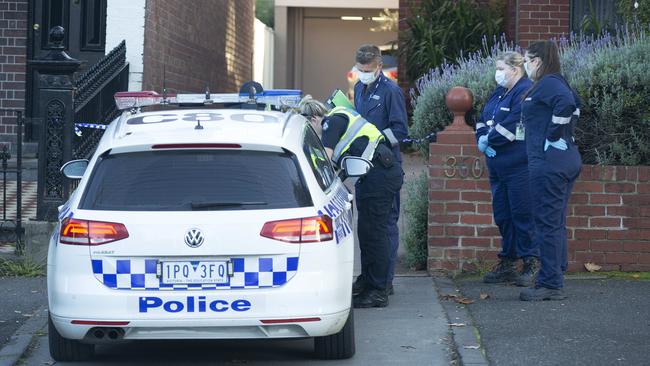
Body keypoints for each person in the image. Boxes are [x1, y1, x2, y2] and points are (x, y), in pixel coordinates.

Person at [298, 96, 403, 308]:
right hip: (375, 173)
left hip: (380, 175)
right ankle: (368, 281)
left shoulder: (331, 122)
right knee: (367, 232)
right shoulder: (338, 119)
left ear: (313, 119)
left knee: (375, 234)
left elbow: (325, 161)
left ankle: (378, 290)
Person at [519, 40, 582, 301]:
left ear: (537, 61)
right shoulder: (555, 81)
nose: (525, 64)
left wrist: (554, 133)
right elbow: (576, 106)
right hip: (560, 159)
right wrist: (565, 134)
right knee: (554, 223)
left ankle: (550, 283)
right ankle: (555, 273)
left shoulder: (549, 83)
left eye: (527, 59)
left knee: (546, 223)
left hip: (549, 163)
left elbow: (567, 104)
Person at [475, 51, 538, 287]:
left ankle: (531, 263)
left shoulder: (524, 91)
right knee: (503, 215)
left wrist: (489, 140)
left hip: (518, 165)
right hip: (498, 166)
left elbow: (514, 125)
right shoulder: (500, 92)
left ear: (514, 69)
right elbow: (483, 117)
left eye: (501, 68)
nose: (497, 73)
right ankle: (508, 263)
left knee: (522, 215)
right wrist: (482, 137)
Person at [353, 44, 408, 295]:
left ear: (378, 67)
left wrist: (373, 139)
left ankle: (384, 282)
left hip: (384, 166)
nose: (363, 73)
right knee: (367, 227)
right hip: (364, 167)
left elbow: (400, 131)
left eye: (367, 69)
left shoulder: (390, 91)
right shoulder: (358, 88)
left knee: (384, 226)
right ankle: (369, 277)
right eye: (359, 69)